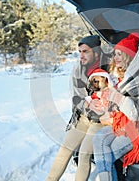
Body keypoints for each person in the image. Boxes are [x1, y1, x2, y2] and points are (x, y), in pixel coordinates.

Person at [92, 33, 139, 180]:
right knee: (98, 138)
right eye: (115, 54)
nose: (116, 58)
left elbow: (136, 114)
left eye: (120, 54)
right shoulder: (123, 77)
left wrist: (117, 97)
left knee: (105, 157)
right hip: (122, 124)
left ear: (129, 56)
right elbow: (114, 107)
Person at [46, 35, 108, 181]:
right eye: (80, 51)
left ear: (96, 53)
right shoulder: (78, 70)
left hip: (100, 121)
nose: (81, 56)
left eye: (85, 51)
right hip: (84, 117)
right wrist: (87, 105)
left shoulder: (108, 69)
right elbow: (76, 98)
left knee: (84, 155)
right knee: (64, 150)